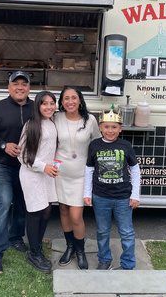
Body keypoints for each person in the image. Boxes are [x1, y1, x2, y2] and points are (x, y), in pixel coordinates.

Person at [0, 71, 33, 274]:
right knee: (3, 203)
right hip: (2, 164)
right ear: (8, 87)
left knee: (22, 203)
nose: (20, 87)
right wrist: (3, 145)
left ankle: (16, 238)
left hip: (27, 167)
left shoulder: (36, 107)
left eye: (24, 84)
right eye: (15, 84)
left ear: (29, 88)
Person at [83, 108, 140, 270]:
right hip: (100, 197)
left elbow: (135, 171)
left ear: (120, 128)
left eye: (114, 127)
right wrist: (87, 193)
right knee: (102, 231)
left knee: (127, 232)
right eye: (106, 127)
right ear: (100, 127)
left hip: (123, 197)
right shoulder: (94, 145)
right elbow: (89, 170)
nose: (110, 131)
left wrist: (135, 195)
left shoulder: (126, 146)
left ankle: (128, 263)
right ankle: (104, 259)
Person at [54, 87, 101, 269]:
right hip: (60, 173)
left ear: (80, 100)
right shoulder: (56, 118)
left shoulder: (90, 120)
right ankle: (70, 247)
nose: (70, 101)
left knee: (76, 215)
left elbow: (97, 144)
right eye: (66, 98)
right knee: (64, 210)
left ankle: (80, 251)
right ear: (62, 102)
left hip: (81, 174)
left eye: (74, 98)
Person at [18, 91, 58, 273]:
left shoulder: (51, 122)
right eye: (44, 104)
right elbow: (23, 155)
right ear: (37, 106)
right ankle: (33, 253)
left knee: (46, 210)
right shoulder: (31, 125)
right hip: (32, 174)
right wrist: (43, 167)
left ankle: (37, 246)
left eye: (52, 103)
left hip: (47, 175)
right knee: (35, 212)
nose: (49, 107)